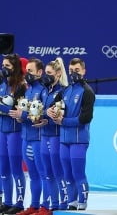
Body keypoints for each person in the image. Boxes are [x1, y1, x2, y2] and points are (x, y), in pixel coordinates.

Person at [47, 58, 95, 211]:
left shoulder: (87, 92)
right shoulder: (65, 91)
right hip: (64, 140)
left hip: (79, 140)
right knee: (67, 173)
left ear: (83, 71)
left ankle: (82, 202)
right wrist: (49, 111)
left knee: (78, 172)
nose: (74, 73)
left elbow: (85, 118)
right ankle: (72, 201)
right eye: (71, 70)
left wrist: (63, 121)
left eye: (77, 71)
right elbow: (52, 106)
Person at [9, 58, 48, 215]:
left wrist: (23, 114)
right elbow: (26, 113)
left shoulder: (44, 91)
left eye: (30, 71)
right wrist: (19, 117)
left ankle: (45, 206)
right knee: (32, 175)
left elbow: (42, 115)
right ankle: (34, 205)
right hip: (26, 137)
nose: (27, 74)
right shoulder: (27, 90)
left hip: (39, 138)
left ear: (40, 72)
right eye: (27, 71)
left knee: (43, 173)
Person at [35, 58, 69, 214]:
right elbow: (40, 111)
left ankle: (63, 203)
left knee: (58, 171)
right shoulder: (44, 90)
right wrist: (43, 115)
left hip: (56, 136)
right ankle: (52, 204)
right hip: (44, 135)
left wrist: (51, 114)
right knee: (47, 172)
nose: (46, 76)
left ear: (58, 73)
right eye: (45, 73)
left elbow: (63, 112)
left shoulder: (63, 91)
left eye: (49, 73)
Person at [0, 54, 26, 214]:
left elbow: (18, 111)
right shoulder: (2, 84)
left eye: (7, 66)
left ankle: (19, 203)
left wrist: (3, 109)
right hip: (2, 130)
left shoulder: (21, 86)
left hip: (15, 131)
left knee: (16, 168)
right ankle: (7, 201)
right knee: (3, 169)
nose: (4, 68)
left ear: (15, 68)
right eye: (3, 65)